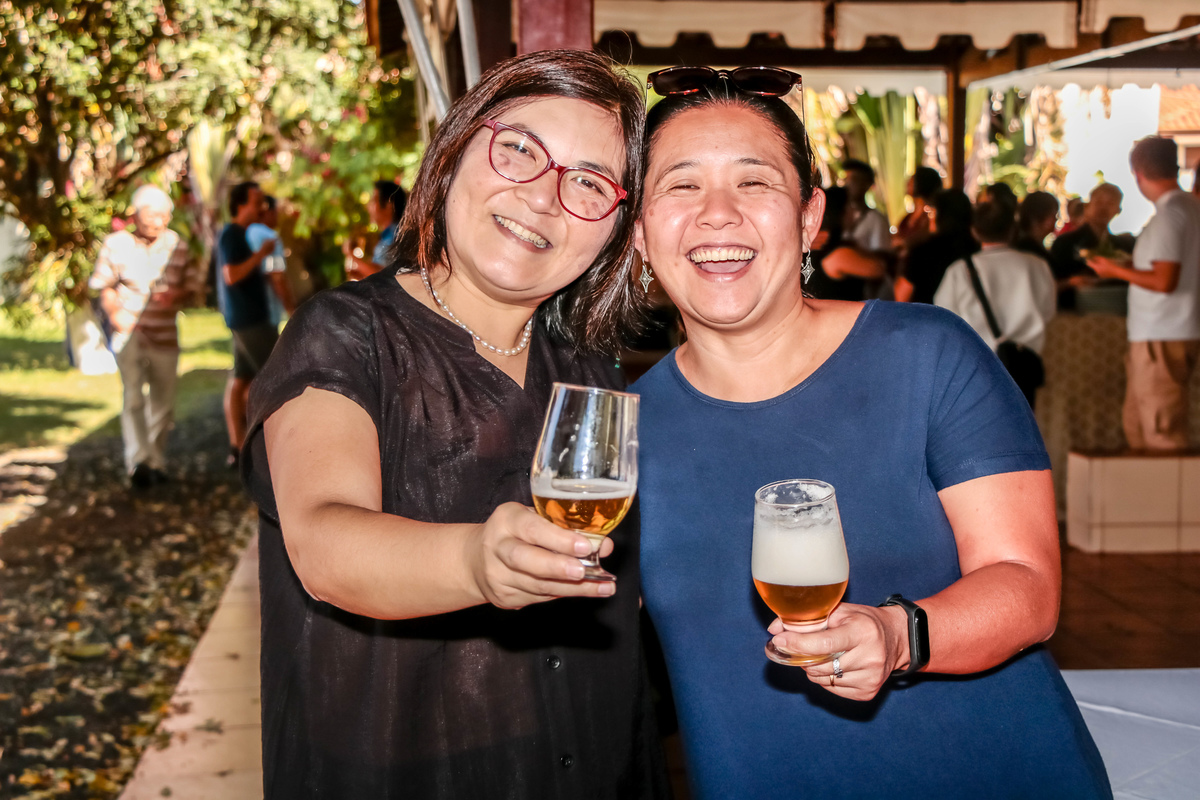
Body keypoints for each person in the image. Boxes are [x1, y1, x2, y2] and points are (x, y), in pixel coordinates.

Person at [632, 66, 1110, 800]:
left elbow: (1027, 585)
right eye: (681, 184)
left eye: (754, 182)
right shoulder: (623, 429)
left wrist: (897, 635)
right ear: (639, 231)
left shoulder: (927, 354)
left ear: (809, 218)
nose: (717, 213)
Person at [240, 50, 668, 798]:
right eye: (520, 150)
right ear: (456, 148)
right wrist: (477, 560)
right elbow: (323, 540)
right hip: (404, 767)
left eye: (589, 183)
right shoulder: (343, 334)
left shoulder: (592, 370)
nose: (543, 197)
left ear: (615, 228)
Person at [1088, 136, 1200, 451]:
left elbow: (1165, 281)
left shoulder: (1170, 215)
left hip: (1162, 333)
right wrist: (1127, 266)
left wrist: (1113, 271)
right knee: (1139, 427)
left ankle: (1167, 486)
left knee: (1161, 433)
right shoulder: (1188, 207)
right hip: (1165, 331)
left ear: (1137, 173)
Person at [90, 185, 201, 489]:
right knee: (134, 398)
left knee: (163, 404)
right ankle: (138, 461)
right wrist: (116, 315)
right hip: (130, 334)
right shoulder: (116, 244)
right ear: (136, 215)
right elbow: (103, 285)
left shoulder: (177, 245)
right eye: (152, 215)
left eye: (164, 216)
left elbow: (193, 286)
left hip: (164, 334)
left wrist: (176, 295)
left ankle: (154, 459)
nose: (157, 221)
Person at [934, 201, 1056, 408]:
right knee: (1021, 420)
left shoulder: (960, 270)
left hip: (975, 366)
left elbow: (945, 318)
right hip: (1024, 365)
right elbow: (1047, 312)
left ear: (974, 231)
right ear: (1013, 230)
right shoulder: (1037, 265)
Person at [216, 181, 279, 469]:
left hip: (245, 317)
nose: (261, 208)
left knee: (240, 379)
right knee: (274, 378)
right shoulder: (232, 234)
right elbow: (231, 275)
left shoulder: (241, 234)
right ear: (240, 205)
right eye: (256, 202)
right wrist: (262, 254)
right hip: (248, 320)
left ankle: (238, 446)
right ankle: (266, 445)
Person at [1048, 183, 1127, 309]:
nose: (1103, 208)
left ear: (1118, 210)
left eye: (1110, 203)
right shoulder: (1064, 242)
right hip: (1072, 311)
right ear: (1087, 206)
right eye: (1099, 202)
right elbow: (1049, 284)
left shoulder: (1123, 246)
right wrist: (1071, 282)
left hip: (1115, 309)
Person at [893, 188, 977, 303]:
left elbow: (900, 297)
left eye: (931, 212)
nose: (929, 217)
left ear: (941, 215)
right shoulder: (977, 247)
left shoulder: (922, 253)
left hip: (928, 312)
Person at [804, 185, 886, 301]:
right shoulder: (837, 253)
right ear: (839, 212)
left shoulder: (819, 244)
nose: (854, 211)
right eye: (850, 206)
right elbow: (879, 269)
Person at [245, 194, 296, 325]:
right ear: (268, 212)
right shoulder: (269, 236)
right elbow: (277, 275)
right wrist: (292, 311)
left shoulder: (247, 232)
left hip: (246, 310)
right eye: (276, 213)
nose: (278, 217)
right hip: (268, 311)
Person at [343, 179, 407, 280]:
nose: (368, 207)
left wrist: (351, 255)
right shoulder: (387, 235)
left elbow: (384, 276)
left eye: (373, 201)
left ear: (389, 205)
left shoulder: (397, 235)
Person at [839, 158, 891, 254]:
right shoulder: (838, 216)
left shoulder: (876, 220)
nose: (847, 184)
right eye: (845, 179)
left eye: (854, 179)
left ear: (867, 185)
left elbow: (882, 256)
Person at [892, 165, 942, 252]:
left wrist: (905, 243)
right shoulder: (908, 216)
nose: (907, 182)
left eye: (912, 179)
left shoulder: (932, 216)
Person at [1013, 190, 1060, 261]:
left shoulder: (1012, 246)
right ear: (1048, 219)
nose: (1056, 219)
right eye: (1055, 215)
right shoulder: (1040, 257)